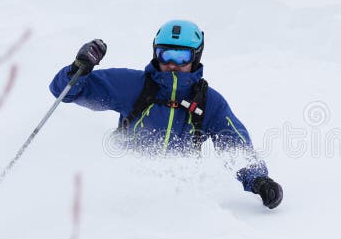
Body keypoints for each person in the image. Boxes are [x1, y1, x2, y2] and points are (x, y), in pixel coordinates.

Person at [49, 19, 283, 209]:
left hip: (178, 200)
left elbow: (236, 145)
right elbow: (63, 92)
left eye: (181, 57)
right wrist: (78, 69)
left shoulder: (209, 101)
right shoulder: (132, 85)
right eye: (165, 55)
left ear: (196, 57)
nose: (172, 64)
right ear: (155, 53)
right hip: (122, 190)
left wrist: (259, 180)